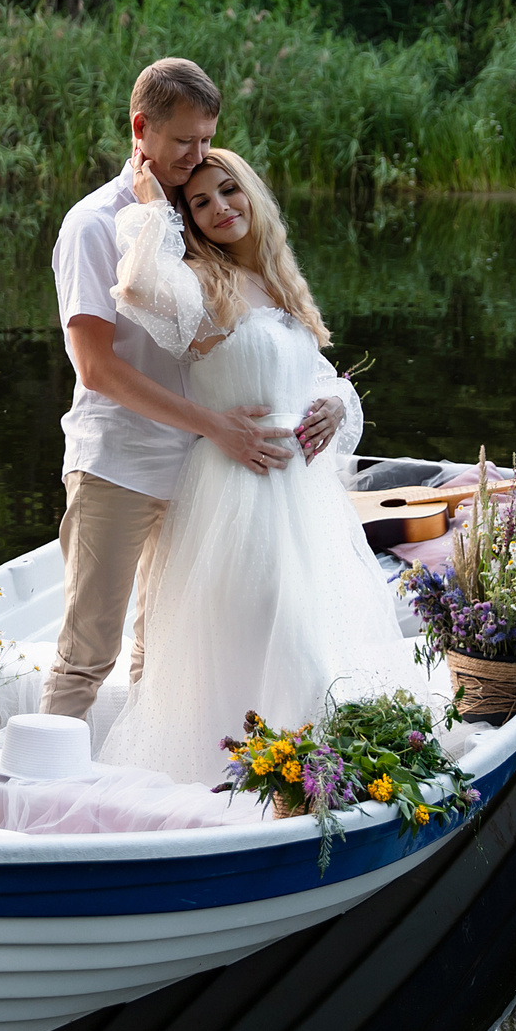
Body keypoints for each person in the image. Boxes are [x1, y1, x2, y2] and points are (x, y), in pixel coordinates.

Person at [95, 148, 427, 784]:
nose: (220, 208)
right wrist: (149, 210)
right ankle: (274, 774)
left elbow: (319, 378)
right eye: (199, 202)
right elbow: (137, 285)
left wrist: (335, 403)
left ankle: (312, 771)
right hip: (236, 493)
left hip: (301, 497)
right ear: (185, 220)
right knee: (272, 625)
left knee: (312, 628)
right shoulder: (198, 282)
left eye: (228, 191)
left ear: (251, 193)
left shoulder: (278, 283)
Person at [46, 60, 347, 719]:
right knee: (88, 648)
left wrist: (330, 399)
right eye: (184, 141)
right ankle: (42, 798)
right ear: (140, 129)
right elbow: (96, 367)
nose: (199, 156)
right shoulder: (95, 225)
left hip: (202, 472)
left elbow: (259, 337)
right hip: (120, 464)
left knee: (166, 651)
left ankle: (153, 784)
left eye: (208, 139)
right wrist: (214, 424)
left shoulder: (192, 212)